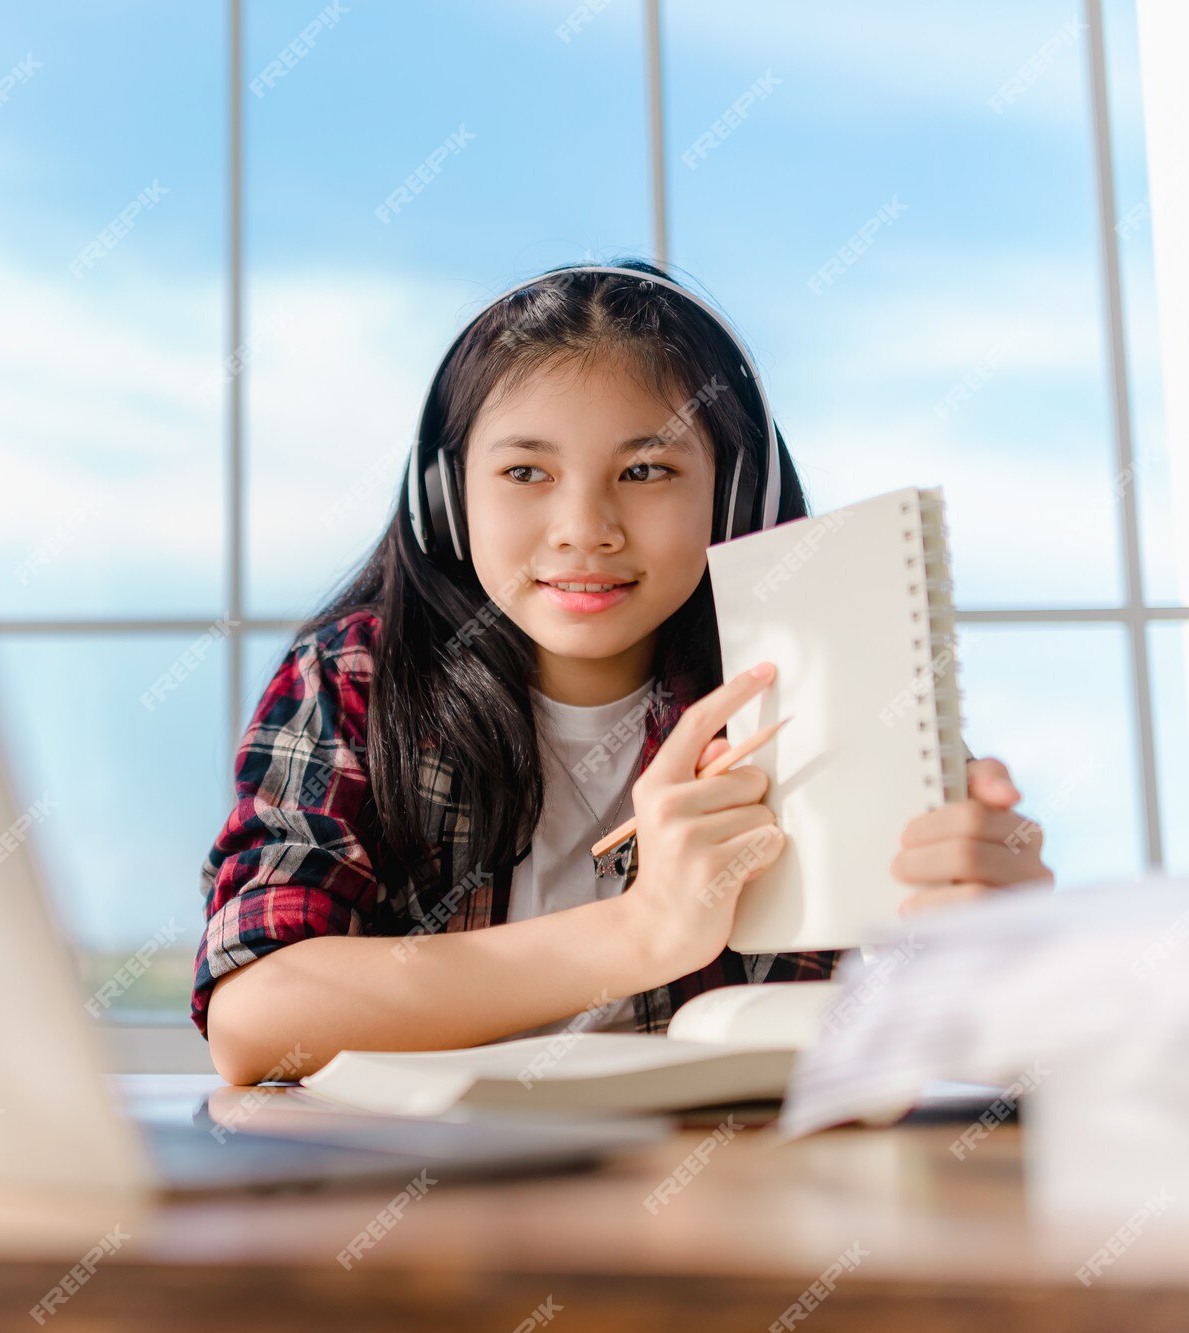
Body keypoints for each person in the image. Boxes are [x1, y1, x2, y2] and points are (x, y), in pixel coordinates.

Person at [194, 258, 1053, 1086]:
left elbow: (938, 1033)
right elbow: (258, 1015)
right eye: (525, 471)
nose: (584, 528)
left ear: (734, 494)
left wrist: (994, 940)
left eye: (647, 470)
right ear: (448, 494)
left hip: (745, 1197)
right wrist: (642, 931)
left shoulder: (830, 682)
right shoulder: (356, 676)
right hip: (430, 1210)